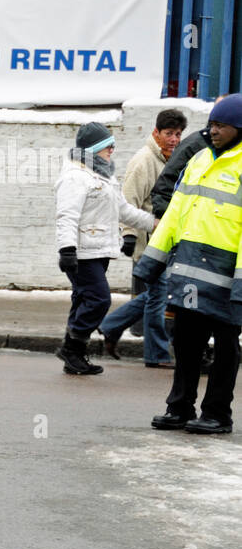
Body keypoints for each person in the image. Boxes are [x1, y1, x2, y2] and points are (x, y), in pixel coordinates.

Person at [137, 93, 242, 435]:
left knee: (226, 348)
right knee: (185, 342)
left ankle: (217, 414)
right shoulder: (198, 160)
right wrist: (151, 261)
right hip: (190, 274)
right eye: (211, 124)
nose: (212, 131)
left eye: (221, 126)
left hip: (228, 279)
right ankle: (179, 407)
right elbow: (174, 215)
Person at [54, 122, 156, 375]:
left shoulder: (104, 176)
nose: (112, 148)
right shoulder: (75, 177)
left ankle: (74, 355)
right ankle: (72, 348)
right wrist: (67, 249)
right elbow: (66, 216)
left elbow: (124, 211)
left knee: (83, 299)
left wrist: (155, 224)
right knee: (100, 299)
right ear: (94, 148)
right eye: (107, 145)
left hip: (99, 250)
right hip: (81, 252)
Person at [99, 108, 186, 367]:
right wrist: (128, 234)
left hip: (164, 240)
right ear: (156, 133)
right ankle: (156, 355)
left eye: (178, 134)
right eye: (168, 133)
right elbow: (128, 201)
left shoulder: (171, 159)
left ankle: (110, 325)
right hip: (147, 241)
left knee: (158, 295)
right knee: (159, 296)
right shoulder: (144, 160)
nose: (174, 139)